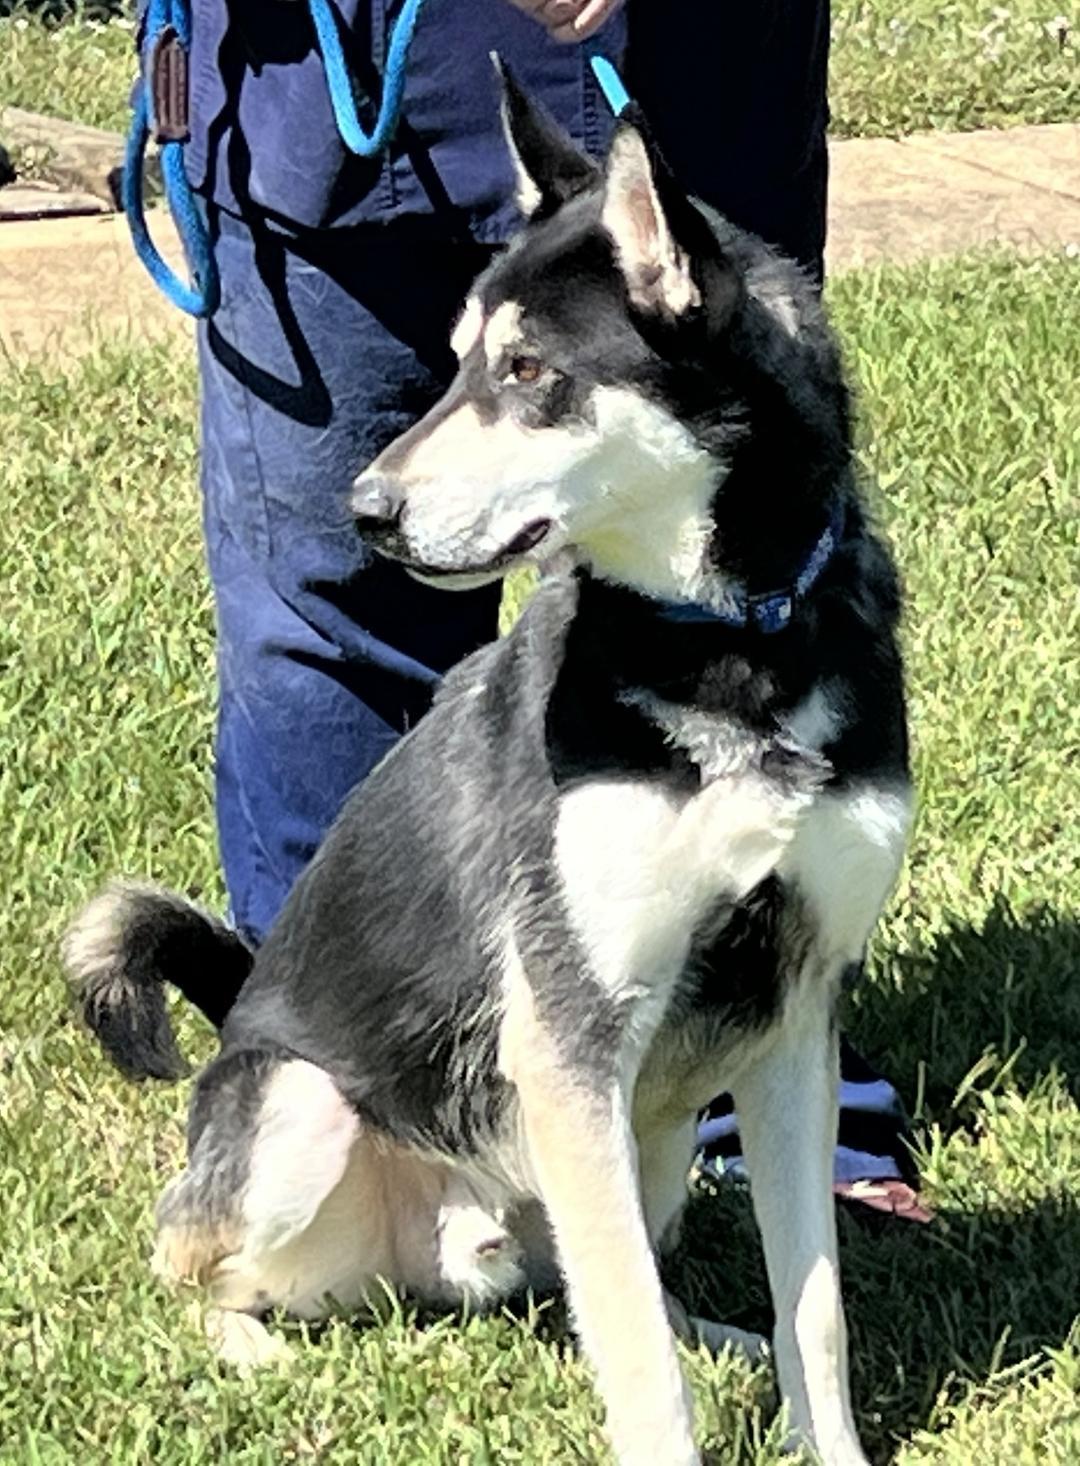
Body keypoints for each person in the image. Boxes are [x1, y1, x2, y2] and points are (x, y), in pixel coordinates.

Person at [144, 0, 925, 1216]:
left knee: (736, 587)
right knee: (337, 625)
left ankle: (739, 1057)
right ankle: (363, 1112)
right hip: (330, 77)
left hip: (684, 75)